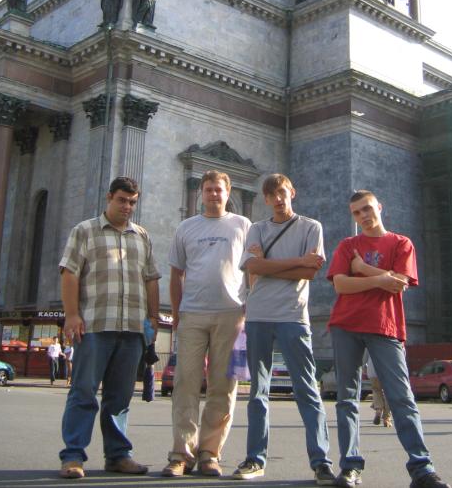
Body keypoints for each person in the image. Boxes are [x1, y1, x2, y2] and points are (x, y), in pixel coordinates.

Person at [327, 189, 451, 488]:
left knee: (401, 398)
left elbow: (399, 284)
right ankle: (350, 467)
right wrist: (382, 278)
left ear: (379, 207)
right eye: (357, 213)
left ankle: (422, 469)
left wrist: (362, 270)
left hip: (386, 326)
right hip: (345, 325)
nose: (363, 216)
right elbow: (341, 285)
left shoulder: (401, 243)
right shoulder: (347, 245)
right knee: (347, 399)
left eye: (367, 208)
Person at [232, 174, 336, 486]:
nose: (278, 199)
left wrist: (269, 264)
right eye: (271, 195)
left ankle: (321, 462)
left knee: (307, 389)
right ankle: (255, 459)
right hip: (258, 315)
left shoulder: (311, 227)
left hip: (293, 316)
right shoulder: (257, 228)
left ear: (292, 192)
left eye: (282, 193)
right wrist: (296, 262)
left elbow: (310, 272)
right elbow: (253, 267)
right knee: (257, 392)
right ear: (265, 200)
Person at [58, 176, 161, 480]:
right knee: (83, 392)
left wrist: (153, 317)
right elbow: (69, 273)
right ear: (109, 198)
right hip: (94, 325)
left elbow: (151, 279)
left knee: (120, 398)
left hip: (132, 328)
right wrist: (71, 314)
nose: (127, 206)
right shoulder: (85, 230)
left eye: (132, 202)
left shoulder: (142, 236)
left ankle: (117, 455)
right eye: (122, 200)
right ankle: (73, 456)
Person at [161, 170, 251, 478]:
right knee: (185, 384)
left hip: (232, 315)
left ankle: (210, 453)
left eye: (219, 189)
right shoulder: (186, 227)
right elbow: (176, 274)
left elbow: (252, 270)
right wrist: (177, 315)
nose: (214, 194)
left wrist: (248, 309)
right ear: (201, 192)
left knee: (223, 387)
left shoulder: (243, 225)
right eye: (209, 189)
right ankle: (181, 454)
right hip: (192, 314)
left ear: (228, 192)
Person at [366, 354, 392, 427]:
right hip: (388, 370)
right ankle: (386, 418)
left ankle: (378, 410)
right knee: (389, 393)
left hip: (372, 369)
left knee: (376, 390)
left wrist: (364, 365)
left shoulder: (371, 345)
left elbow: (365, 355)